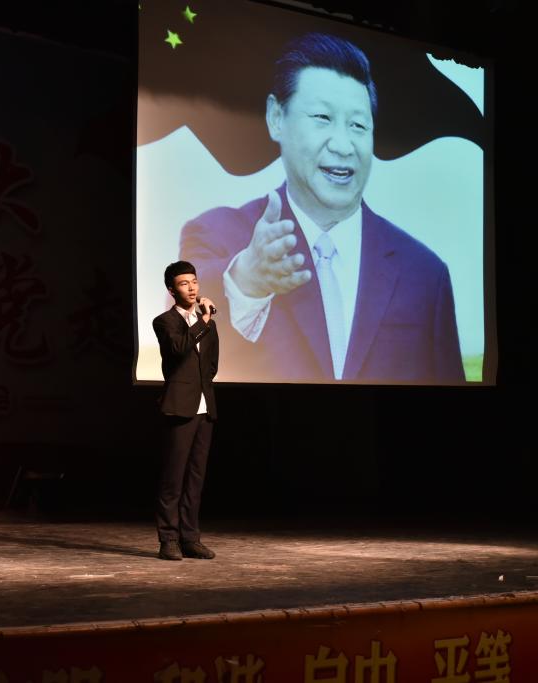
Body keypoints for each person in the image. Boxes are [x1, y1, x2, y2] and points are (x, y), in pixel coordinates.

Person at [180, 32, 464, 384]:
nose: (343, 146)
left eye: (358, 125)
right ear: (276, 117)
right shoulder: (215, 236)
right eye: (322, 117)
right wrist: (245, 282)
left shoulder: (425, 274)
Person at [151, 261, 219, 561]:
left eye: (194, 282)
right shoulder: (165, 321)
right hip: (179, 406)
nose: (191, 288)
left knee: (195, 478)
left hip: (205, 407)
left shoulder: (208, 324)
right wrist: (202, 321)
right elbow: (178, 349)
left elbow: (212, 364)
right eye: (183, 283)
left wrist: (204, 322)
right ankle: (168, 539)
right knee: (173, 478)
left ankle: (190, 538)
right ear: (171, 290)